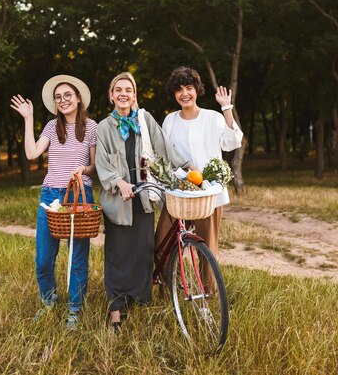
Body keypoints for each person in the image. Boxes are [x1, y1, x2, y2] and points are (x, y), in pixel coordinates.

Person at [95, 72, 189, 331]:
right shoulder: (103, 127)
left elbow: (164, 147)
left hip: (145, 195)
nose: (123, 94)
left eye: (128, 89)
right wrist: (119, 182)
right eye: (118, 89)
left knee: (142, 250)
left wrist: (189, 170)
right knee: (117, 252)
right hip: (118, 199)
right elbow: (102, 164)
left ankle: (139, 296)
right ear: (111, 95)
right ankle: (116, 307)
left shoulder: (144, 120)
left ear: (134, 95)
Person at [10, 75, 97, 330]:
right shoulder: (51, 127)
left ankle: (75, 308)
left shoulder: (91, 127)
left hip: (79, 196)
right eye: (58, 97)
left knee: (77, 257)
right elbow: (31, 153)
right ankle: (48, 301)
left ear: (78, 97)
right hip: (50, 196)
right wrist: (28, 119)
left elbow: (95, 166)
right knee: (44, 258)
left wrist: (84, 169)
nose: (63, 100)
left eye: (67, 95)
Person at [155, 66, 243, 289]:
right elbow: (164, 156)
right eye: (179, 89)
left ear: (197, 90)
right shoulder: (170, 121)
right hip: (178, 192)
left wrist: (226, 108)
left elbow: (232, 142)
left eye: (189, 88)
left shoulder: (212, 118)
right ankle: (172, 290)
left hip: (208, 194)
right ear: (174, 94)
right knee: (162, 242)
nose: (184, 93)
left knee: (208, 248)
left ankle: (207, 296)